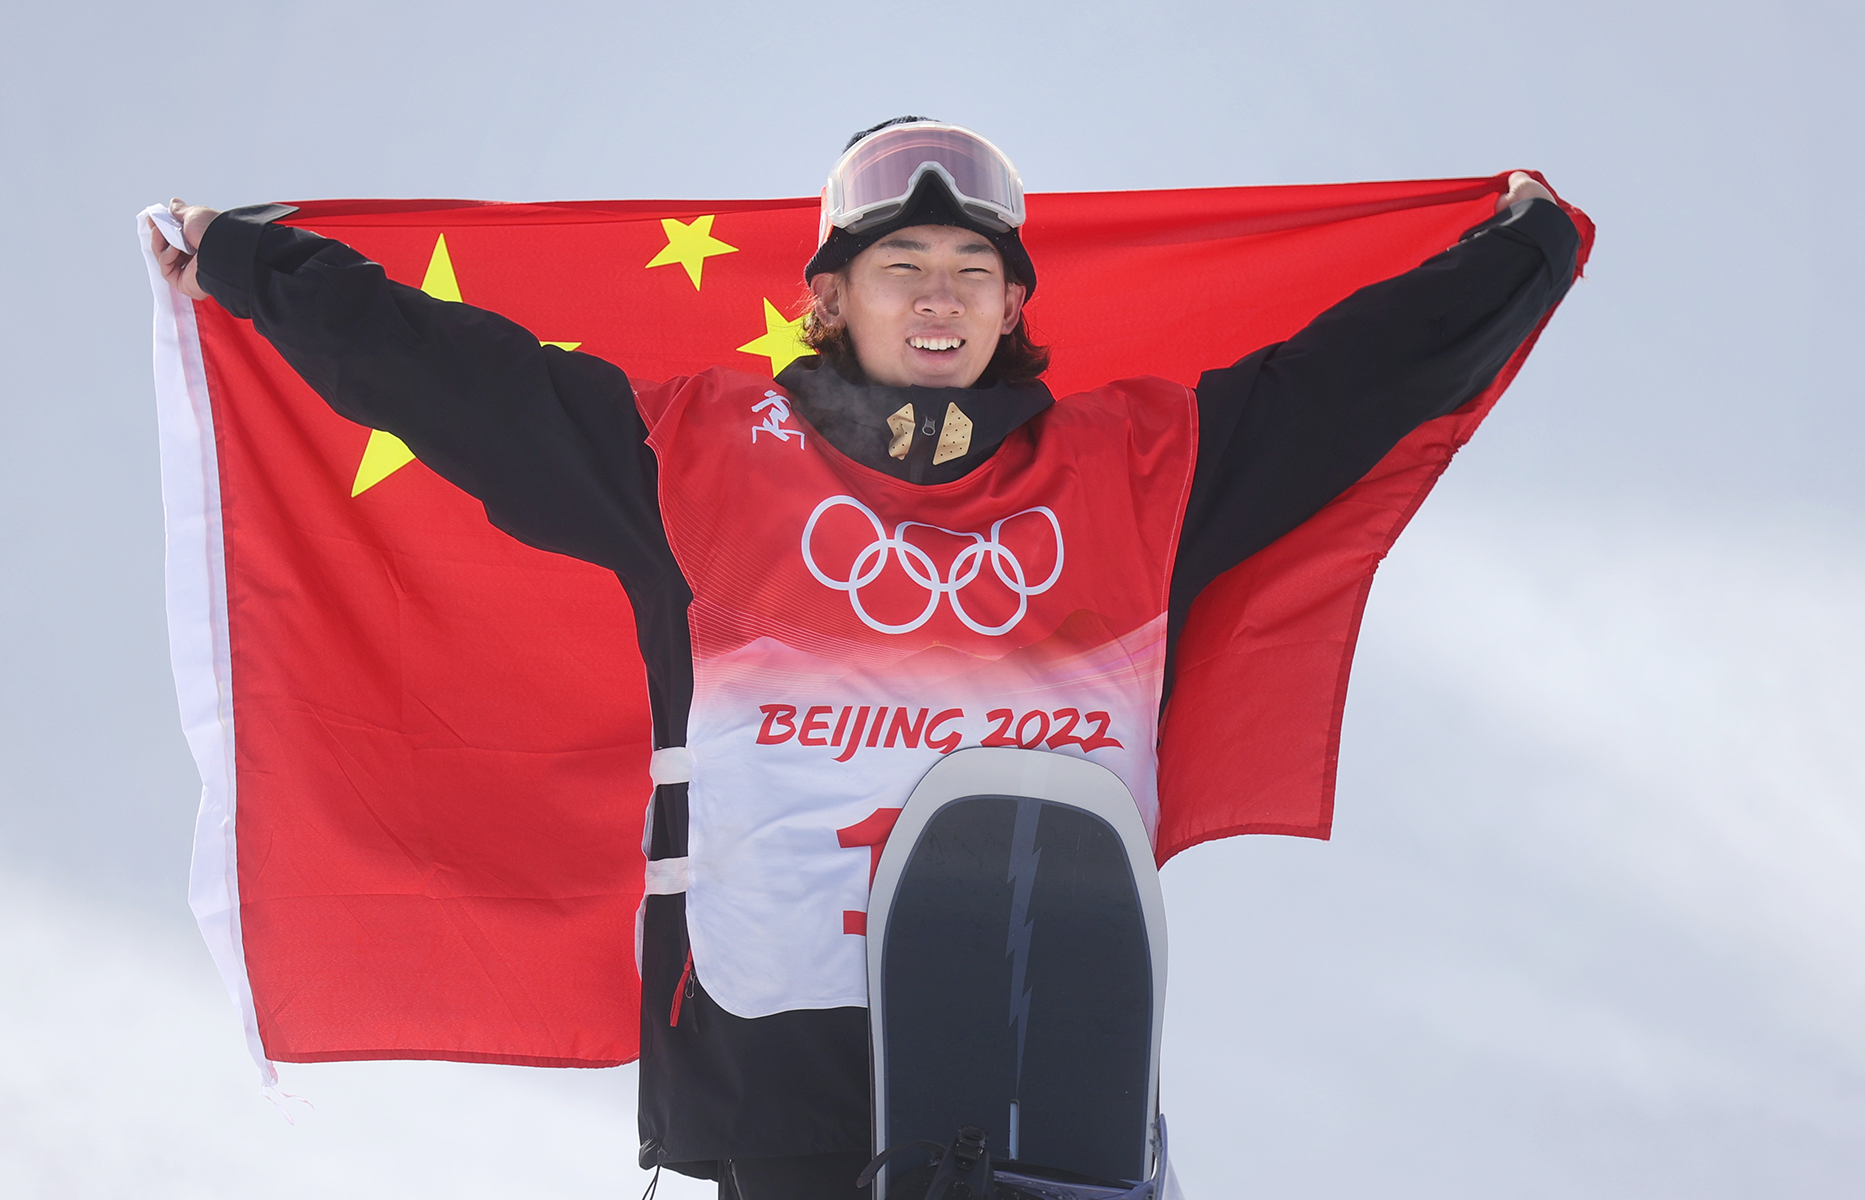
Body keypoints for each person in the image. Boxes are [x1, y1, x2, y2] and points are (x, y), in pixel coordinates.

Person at [155, 118, 1579, 1200]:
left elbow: (1354, 383)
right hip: (783, 1069)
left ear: (1014, 309)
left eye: (973, 272)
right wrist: (255, 264)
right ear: (832, 299)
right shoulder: (690, 460)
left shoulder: (1141, 473)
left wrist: (1523, 253)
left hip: (1040, 1058)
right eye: (903, 268)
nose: (940, 297)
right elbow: (456, 382)